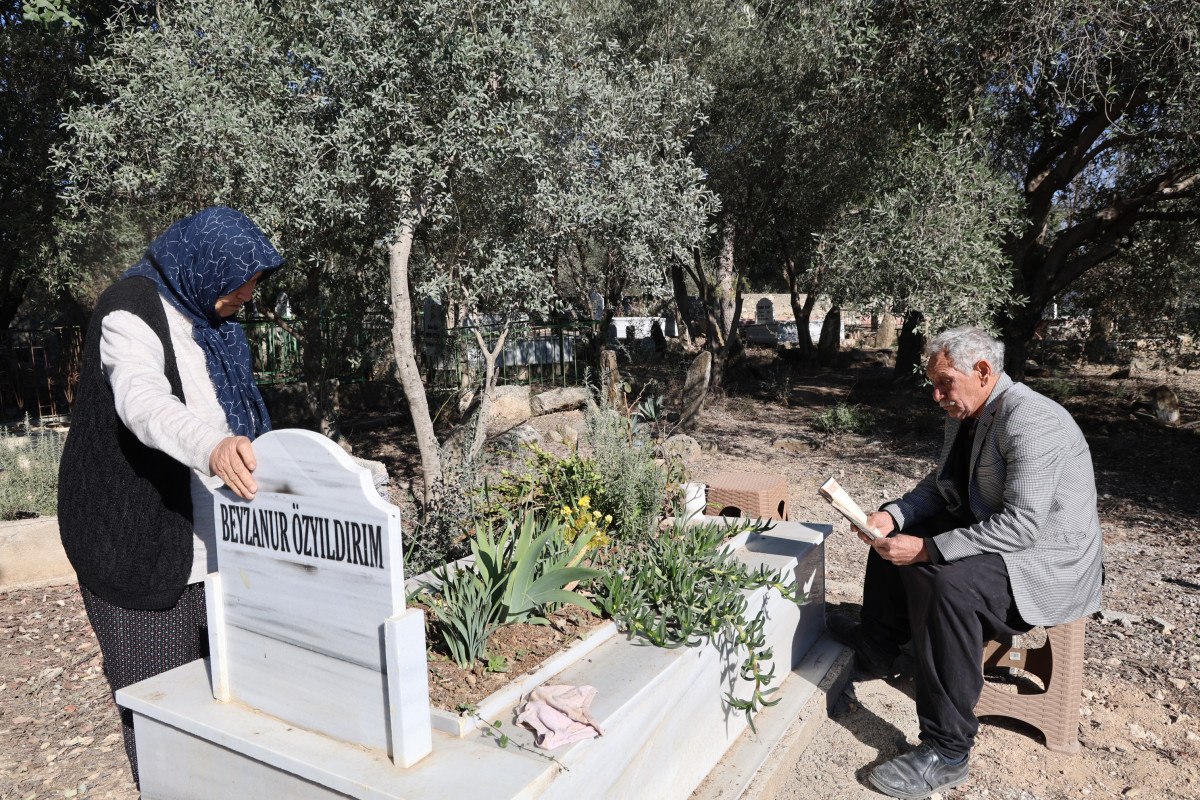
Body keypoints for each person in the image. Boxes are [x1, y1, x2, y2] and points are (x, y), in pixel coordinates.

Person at [828, 326, 1104, 799]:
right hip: (1003, 535)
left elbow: (1022, 527)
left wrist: (929, 550)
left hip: (1046, 561)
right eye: (932, 384)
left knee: (943, 581)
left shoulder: (1031, 419)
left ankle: (947, 751)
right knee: (893, 539)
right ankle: (878, 648)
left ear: (982, 372)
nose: (936, 396)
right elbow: (942, 486)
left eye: (943, 383)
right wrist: (891, 516)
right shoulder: (969, 412)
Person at [57, 207, 283, 785]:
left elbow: (250, 425)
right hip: (137, 543)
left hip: (220, 548)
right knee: (162, 711)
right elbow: (143, 403)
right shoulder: (129, 307)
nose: (249, 297)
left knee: (231, 703)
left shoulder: (216, 327)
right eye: (245, 283)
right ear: (208, 265)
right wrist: (212, 446)